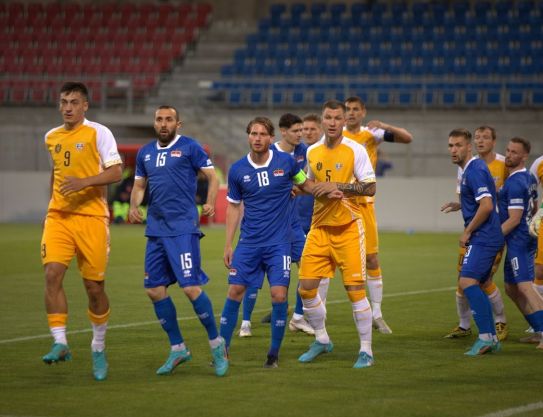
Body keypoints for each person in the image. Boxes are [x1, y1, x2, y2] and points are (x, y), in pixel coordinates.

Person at [219, 116, 341, 369]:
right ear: (248, 137)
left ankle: (273, 355)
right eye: (253, 134)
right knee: (234, 291)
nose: (257, 138)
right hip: (249, 242)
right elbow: (233, 207)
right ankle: (223, 350)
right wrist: (228, 244)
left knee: (278, 295)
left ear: (271, 138)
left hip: (278, 243)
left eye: (262, 134)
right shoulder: (238, 169)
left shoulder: (285, 162)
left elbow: (304, 184)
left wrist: (327, 190)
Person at [128, 105, 228, 377]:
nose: (163, 123)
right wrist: (133, 205)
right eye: (159, 119)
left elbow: (211, 175)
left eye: (168, 119)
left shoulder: (190, 147)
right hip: (156, 230)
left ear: (178, 123)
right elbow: (139, 185)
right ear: (154, 122)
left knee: (190, 288)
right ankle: (178, 348)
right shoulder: (145, 152)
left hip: (183, 227)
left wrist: (209, 202)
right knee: (154, 289)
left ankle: (217, 345)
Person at [40, 81, 122, 381]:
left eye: (74, 102)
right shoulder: (51, 136)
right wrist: (50, 206)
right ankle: (60, 342)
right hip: (59, 217)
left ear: (85, 105)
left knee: (94, 288)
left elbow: (116, 171)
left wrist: (83, 182)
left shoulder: (99, 132)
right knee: (52, 274)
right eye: (64, 102)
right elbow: (57, 172)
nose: (68, 107)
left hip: (91, 218)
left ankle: (98, 347)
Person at [297, 100, 377, 368]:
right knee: (306, 289)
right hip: (319, 228)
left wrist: (338, 185)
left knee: (355, 291)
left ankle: (366, 350)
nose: (332, 122)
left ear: (344, 121)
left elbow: (370, 188)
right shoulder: (312, 151)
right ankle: (321, 339)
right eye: (328, 117)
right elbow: (311, 183)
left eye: (337, 118)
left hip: (348, 229)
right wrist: (303, 188)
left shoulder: (356, 150)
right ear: (322, 120)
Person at [339, 96, 413, 334]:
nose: (351, 113)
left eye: (355, 110)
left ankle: (377, 314)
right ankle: (309, 315)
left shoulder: (371, 134)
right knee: (328, 263)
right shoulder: (335, 135)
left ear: (363, 112)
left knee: (371, 259)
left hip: (364, 204)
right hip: (339, 205)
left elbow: (407, 138)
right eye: (347, 109)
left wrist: (386, 127)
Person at [239, 113, 314, 337]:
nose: (301, 134)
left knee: (307, 269)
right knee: (256, 272)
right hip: (267, 226)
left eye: (302, 130)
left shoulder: (303, 152)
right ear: (283, 132)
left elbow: (305, 183)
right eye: (296, 131)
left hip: (293, 223)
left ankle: (299, 317)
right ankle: (245, 322)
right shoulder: (268, 154)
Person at [442, 126, 508, 341]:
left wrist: (468, 231)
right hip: (484, 235)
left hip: (484, 236)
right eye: (451, 145)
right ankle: (488, 334)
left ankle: (490, 334)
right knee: (471, 282)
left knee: (469, 282)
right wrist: (461, 204)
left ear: (469, 147)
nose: (453, 150)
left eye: (458, 145)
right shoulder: (469, 169)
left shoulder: (476, 169)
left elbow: (487, 205)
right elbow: (479, 200)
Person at [498, 137, 543, 350]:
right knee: (511, 288)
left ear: (524, 156)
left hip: (519, 240)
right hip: (522, 238)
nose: (509, 155)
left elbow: (514, 219)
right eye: (507, 150)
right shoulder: (527, 178)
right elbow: (534, 207)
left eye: (514, 152)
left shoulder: (515, 182)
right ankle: (537, 329)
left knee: (525, 286)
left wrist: (493, 237)